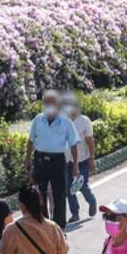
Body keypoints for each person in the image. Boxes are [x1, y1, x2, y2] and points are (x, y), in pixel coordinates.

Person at [24, 90, 79, 229]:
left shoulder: (65, 121)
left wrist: (75, 165)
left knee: (59, 194)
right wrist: (27, 159)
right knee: (39, 194)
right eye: (46, 103)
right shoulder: (38, 119)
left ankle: (59, 227)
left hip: (58, 160)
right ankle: (43, 224)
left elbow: (73, 144)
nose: (48, 105)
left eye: (51, 102)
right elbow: (30, 140)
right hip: (40, 159)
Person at [62, 93, 97, 221]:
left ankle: (91, 200)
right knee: (69, 188)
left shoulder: (84, 121)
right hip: (67, 160)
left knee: (82, 185)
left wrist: (91, 159)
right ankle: (75, 213)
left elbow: (90, 141)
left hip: (83, 159)